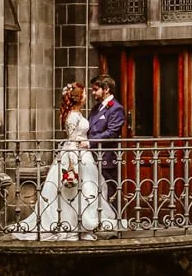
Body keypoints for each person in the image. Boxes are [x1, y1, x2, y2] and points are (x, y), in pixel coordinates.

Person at [9, 83, 119, 239]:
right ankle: (77, 223)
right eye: (85, 94)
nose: (87, 96)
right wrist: (74, 160)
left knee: (88, 188)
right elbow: (73, 138)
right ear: (79, 97)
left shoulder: (78, 113)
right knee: (76, 189)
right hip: (75, 152)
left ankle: (86, 222)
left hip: (82, 152)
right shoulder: (73, 116)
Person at [85, 73, 127, 220]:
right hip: (91, 157)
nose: (93, 92)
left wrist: (89, 142)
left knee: (109, 192)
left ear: (106, 89)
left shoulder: (116, 108)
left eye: (96, 89)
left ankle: (111, 222)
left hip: (107, 159)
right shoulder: (96, 108)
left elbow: (111, 133)